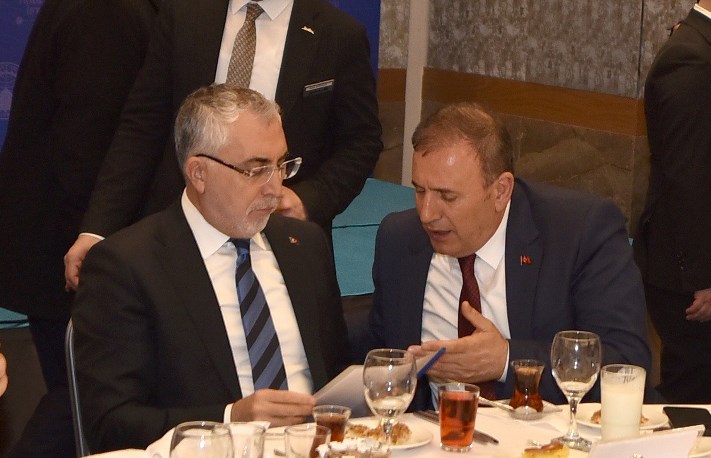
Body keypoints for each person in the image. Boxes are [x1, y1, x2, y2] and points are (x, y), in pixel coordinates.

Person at [73, 84, 351, 452]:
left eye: (282, 165)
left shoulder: (304, 245)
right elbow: (111, 424)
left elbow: (336, 376)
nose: (276, 188)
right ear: (198, 173)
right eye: (256, 170)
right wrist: (231, 419)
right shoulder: (127, 266)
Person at [64, 0, 383, 289]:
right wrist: (98, 229)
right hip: (176, 240)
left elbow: (362, 140)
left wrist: (308, 200)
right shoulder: (184, 14)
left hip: (279, 243)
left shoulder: (338, 34)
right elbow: (142, 128)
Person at [357, 102, 652, 410]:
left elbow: (627, 364)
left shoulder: (578, 234)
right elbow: (378, 356)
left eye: (447, 196)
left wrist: (504, 361)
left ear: (500, 191)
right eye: (419, 191)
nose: (427, 214)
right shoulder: (400, 240)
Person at [0, 0, 158, 456]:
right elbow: (88, 149)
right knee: (84, 406)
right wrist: (108, 251)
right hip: (75, 255)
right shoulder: (105, 11)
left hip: (69, 249)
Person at [634, 0, 711, 403]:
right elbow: (687, 178)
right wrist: (704, 277)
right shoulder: (692, 57)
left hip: (690, 266)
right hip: (687, 275)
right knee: (691, 401)